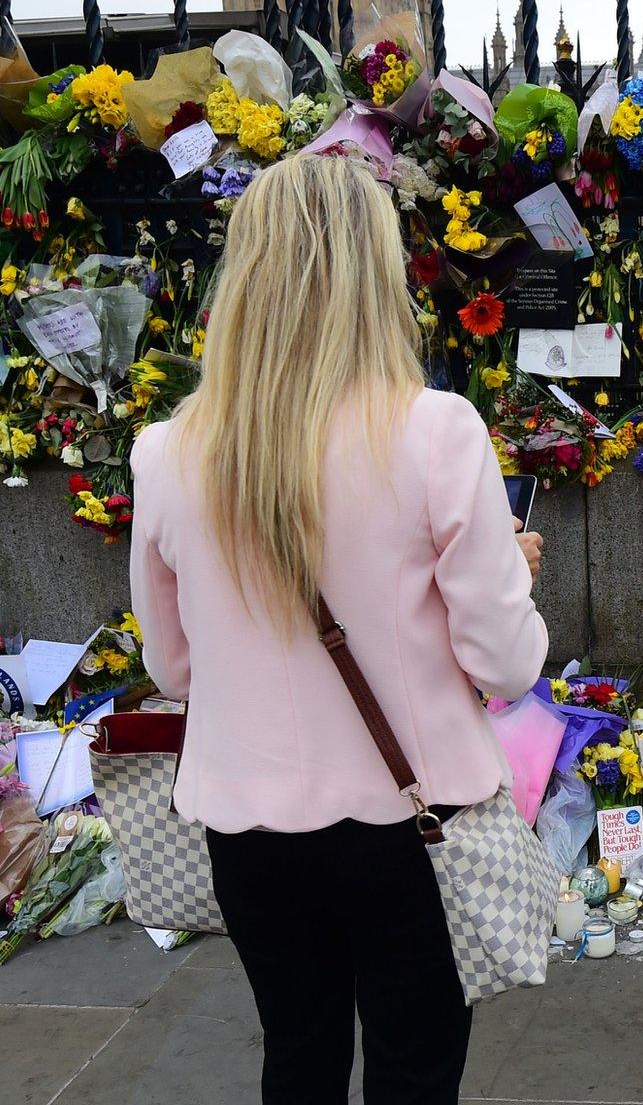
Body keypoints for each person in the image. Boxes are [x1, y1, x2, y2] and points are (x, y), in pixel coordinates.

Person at [129, 152, 548, 1105]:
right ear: (376, 274)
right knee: (414, 1065)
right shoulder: (436, 431)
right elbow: (505, 661)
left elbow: (174, 665)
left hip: (246, 824)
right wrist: (508, 580)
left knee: (299, 1054)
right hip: (410, 820)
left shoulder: (167, 452)